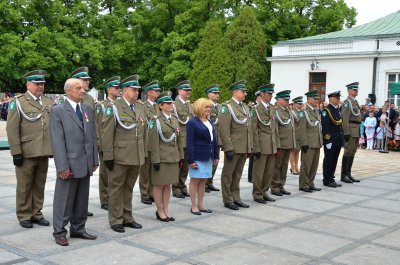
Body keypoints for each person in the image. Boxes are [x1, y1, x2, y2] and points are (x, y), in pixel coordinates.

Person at [50, 78, 98, 246]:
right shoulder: (58, 111)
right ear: (68, 91)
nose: (82, 90)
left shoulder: (87, 109)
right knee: (64, 200)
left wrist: (94, 159)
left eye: (82, 88)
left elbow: (92, 136)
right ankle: (60, 232)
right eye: (78, 88)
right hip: (68, 164)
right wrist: (62, 166)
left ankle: (78, 228)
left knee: (81, 199)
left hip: (85, 162)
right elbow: (57, 141)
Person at [6, 70, 53, 229]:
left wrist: (52, 148)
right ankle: (24, 214)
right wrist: (16, 152)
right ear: (28, 85)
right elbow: (12, 129)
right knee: (25, 185)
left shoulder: (47, 101)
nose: (41, 86)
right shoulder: (19, 102)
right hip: (26, 152)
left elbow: (50, 126)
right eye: (37, 84)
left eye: (42, 84)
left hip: (43, 151)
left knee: (40, 185)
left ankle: (36, 213)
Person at [101, 75, 145, 233]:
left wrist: (143, 153)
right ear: (124, 90)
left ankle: (128, 217)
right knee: (116, 189)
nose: (137, 93)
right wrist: (108, 156)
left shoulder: (139, 107)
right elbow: (106, 134)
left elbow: (142, 132)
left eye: (138, 90)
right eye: (134, 90)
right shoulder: (114, 107)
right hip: (119, 157)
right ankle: (115, 219)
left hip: (136, 155)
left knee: (129, 188)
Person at [148, 91, 183, 222]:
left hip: (173, 157)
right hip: (161, 158)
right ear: (160, 106)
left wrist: (181, 156)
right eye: (167, 103)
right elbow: (153, 142)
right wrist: (155, 160)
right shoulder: (155, 120)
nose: (170, 105)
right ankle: (159, 210)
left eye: (171, 103)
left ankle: (166, 209)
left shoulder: (174, 119)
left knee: (168, 185)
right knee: (159, 185)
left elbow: (179, 139)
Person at [219, 80, 252, 210]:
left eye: (245, 91)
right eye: (242, 91)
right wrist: (228, 148)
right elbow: (224, 129)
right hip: (233, 147)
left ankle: (236, 197)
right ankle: (228, 199)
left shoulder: (245, 107)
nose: (245, 93)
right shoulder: (226, 107)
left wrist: (249, 146)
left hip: (243, 147)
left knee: (237, 174)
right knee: (228, 174)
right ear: (235, 92)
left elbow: (248, 128)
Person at [186, 98, 219, 214]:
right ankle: (194, 206)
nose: (208, 109)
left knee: (203, 181)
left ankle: (201, 205)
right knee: (195, 181)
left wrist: (216, 156)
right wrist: (191, 160)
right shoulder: (192, 123)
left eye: (209, 107)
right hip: (197, 156)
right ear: (199, 108)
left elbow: (213, 140)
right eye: (206, 107)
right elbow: (189, 142)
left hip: (208, 156)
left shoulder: (209, 121)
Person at [95, 76, 121, 211]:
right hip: (106, 146)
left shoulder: (120, 105)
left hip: (118, 147)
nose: (119, 90)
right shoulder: (102, 106)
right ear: (109, 89)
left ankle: (114, 198)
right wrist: (103, 147)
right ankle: (105, 199)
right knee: (105, 174)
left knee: (115, 175)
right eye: (117, 88)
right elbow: (100, 128)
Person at [251, 83, 279, 204]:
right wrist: (256, 147)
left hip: (272, 144)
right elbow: (253, 129)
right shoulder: (255, 109)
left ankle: (264, 191)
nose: (270, 96)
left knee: (268, 171)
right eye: (268, 94)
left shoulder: (272, 108)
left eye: (271, 94)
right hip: (261, 145)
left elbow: (275, 128)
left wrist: (277, 144)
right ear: (262, 94)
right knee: (259, 171)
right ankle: (257, 194)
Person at [138, 80, 160, 205]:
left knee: (153, 169)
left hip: (156, 142)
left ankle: (152, 192)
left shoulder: (158, 106)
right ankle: (144, 193)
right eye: (156, 91)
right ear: (149, 92)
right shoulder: (142, 106)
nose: (158, 92)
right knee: (145, 170)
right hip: (146, 141)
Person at [272, 90, 296, 196]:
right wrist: (276, 144)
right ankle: (274, 186)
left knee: (284, 166)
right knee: (276, 166)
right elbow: (275, 130)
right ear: (279, 100)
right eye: (285, 100)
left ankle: (281, 185)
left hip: (288, 143)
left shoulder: (288, 111)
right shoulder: (276, 111)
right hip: (280, 143)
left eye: (288, 100)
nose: (287, 102)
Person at [172, 80, 193, 198]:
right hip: (180, 139)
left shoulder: (189, 105)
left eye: (189, 90)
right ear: (180, 91)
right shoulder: (174, 105)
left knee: (185, 165)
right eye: (186, 90)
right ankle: (175, 188)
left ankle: (182, 185)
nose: (188, 92)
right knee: (178, 165)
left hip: (188, 139)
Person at [298, 90, 323, 192]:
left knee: (314, 165)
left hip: (316, 142)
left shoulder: (316, 111)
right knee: (306, 165)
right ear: (308, 99)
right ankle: (304, 184)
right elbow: (301, 129)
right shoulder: (303, 112)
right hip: (308, 143)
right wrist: (303, 143)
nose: (317, 100)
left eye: (317, 98)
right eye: (315, 98)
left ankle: (310, 182)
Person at [321, 91, 344, 188]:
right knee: (329, 159)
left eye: (339, 98)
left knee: (334, 160)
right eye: (336, 98)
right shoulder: (327, 110)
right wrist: (327, 140)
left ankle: (331, 178)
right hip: (330, 140)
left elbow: (339, 125)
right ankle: (327, 179)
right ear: (331, 98)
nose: (338, 99)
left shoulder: (337, 109)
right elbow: (325, 127)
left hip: (337, 139)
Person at [341, 82, 361, 183]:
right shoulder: (347, 102)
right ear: (349, 91)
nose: (356, 91)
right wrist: (346, 132)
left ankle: (348, 173)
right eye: (354, 89)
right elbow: (344, 118)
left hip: (356, 129)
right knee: (348, 151)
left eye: (357, 89)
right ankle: (344, 175)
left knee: (353, 151)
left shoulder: (355, 102)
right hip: (350, 129)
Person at [205, 84, 221, 192]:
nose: (217, 95)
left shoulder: (220, 107)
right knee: (208, 160)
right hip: (209, 137)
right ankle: (204, 183)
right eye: (214, 93)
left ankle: (209, 181)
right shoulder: (206, 106)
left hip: (218, 136)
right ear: (209, 94)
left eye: (218, 93)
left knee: (215, 160)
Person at [247, 90, 262, 183]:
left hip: (261, 137)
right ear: (258, 97)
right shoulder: (253, 107)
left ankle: (255, 175)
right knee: (252, 158)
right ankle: (250, 176)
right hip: (253, 135)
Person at [289, 96, 303, 175]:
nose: (300, 105)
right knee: (293, 151)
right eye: (299, 103)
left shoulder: (300, 111)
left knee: (298, 151)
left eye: (301, 103)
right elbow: (298, 121)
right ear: (294, 104)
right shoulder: (293, 112)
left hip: (299, 134)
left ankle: (296, 167)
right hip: (294, 134)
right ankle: (293, 167)